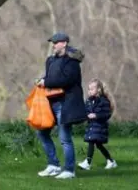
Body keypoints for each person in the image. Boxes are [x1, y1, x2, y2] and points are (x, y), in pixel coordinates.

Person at [35, 32, 87, 179]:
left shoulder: (72, 62)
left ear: (64, 43)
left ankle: (69, 170)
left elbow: (66, 80)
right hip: (50, 103)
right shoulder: (50, 60)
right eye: (52, 42)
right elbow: (50, 77)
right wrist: (42, 80)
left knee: (64, 138)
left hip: (66, 104)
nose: (53, 45)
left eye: (56, 42)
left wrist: (47, 82)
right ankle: (53, 165)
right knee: (42, 133)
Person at [77, 78, 118, 170]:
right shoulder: (88, 101)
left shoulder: (104, 101)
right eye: (89, 89)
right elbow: (86, 112)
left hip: (100, 127)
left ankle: (87, 162)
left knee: (92, 142)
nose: (89, 91)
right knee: (98, 145)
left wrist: (96, 115)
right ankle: (111, 161)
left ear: (98, 90)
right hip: (91, 126)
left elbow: (106, 114)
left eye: (92, 89)